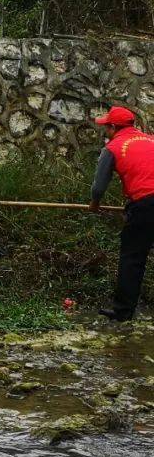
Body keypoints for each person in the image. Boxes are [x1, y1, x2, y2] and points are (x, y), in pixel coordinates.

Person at [89, 106, 154, 321]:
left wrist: (94, 205)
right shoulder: (150, 140)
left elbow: (98, 187)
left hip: (145, 203)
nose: (105, 131)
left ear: (113, 127)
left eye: (106, 127)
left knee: (132, 258)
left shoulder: (114, 147)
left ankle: (123, 311)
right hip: (144, 200)